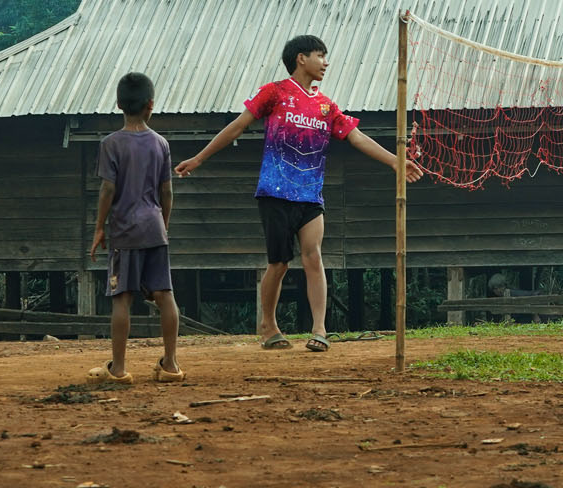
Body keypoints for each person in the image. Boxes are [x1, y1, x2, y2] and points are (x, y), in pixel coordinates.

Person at [175, 34, 422, 352]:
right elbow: (237, 126)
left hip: (310, 196)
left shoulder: (326, 106)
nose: (326, 63)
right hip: (275, 193)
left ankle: (319, 330)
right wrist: (199, 158)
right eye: (321, 55)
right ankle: (269, 326)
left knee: (313, 257)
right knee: (279, 264)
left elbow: (357, 137)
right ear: (301, 58)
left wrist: (395, 162)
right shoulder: (274, 92)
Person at [88, 72, 181, 384]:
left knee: (122, 298)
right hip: (155, 227)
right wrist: (163, 225)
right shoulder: (161, 144)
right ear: (150, 105)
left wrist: (100, 227)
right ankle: (170, 364)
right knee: (165, 294)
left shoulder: (111, 144)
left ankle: (119, 368)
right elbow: (167, 192)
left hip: (125, 231)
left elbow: (107, 190)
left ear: (118, 104)